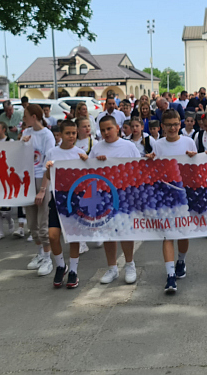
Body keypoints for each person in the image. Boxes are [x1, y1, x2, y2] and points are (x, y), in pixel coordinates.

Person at [145, 109, 197, 293]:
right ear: (162, 127)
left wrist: (193, 158)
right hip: (165, 196)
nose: (173, 128)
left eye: (176, 124)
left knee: (182, 233)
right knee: (167, 234)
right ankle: (170, 276)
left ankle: (181, 260)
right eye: (169, 125)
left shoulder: (188, 142)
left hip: (184, 194)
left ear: (180, 124)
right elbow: (153, 170)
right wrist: (149, 161)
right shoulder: (158, 145)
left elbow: (196, 167)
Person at [39, 120, 88, 289]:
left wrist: (86, 161)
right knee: (53, 235)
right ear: (60, 135)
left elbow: (87, 177)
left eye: (74, 133)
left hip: (74, 200)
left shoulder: (79, 153)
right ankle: (61, 265)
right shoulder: (52, 152)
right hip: (57, 198)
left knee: (73, 237)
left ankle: (73, 270)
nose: (71, 136)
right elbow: (49, 175)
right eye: (68, 133)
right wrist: (48, 168)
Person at [91, 116, 140, 284]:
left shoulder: (129, 146)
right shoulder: (97, 148)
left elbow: (138, 168)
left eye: (109, 129)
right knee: (107, 233)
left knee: (125, 231)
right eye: (103, 130)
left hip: (125, 195)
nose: (106, 133)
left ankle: (129, 264)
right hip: (104, 196)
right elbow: (88, 170)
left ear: (117, 128)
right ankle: (112, 268)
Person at [20, 104, 57, 276]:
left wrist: (43, 188)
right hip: (27, 180)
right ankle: (40, 253)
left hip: (41, 179)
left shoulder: (47, 135)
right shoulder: (26, 133)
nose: (23, 118)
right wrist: (22, 145)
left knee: (43, 223)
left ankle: (48, 258)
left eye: (26, 115)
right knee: (32, 223)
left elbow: (49, 162)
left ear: (34, 117)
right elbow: (17, 156)